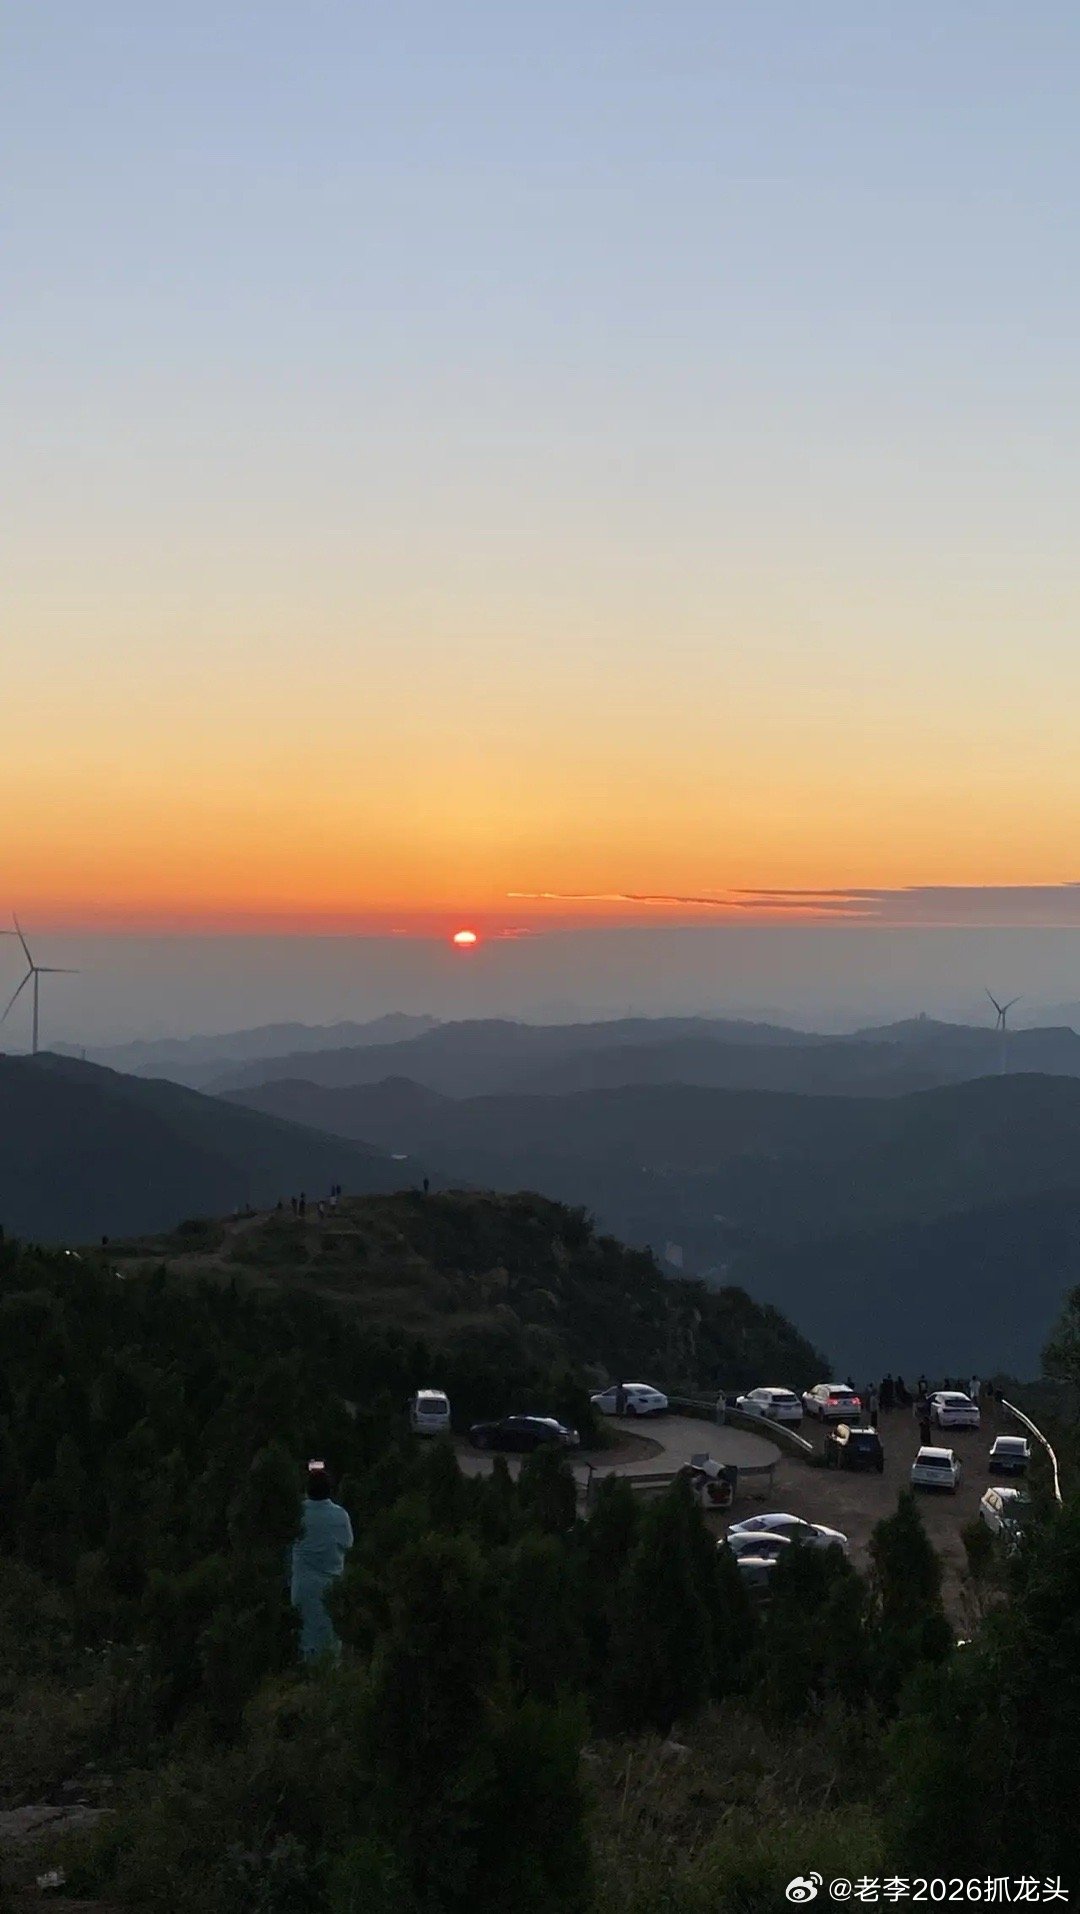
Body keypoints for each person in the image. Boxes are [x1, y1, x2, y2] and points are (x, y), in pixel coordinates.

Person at [290, 1462, 354, 1662]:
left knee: (303, 1639)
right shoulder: (340, 1515)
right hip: (331, 1586)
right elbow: (348, 1544)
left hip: (303, 1586)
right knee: (330, 1642)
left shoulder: (298, 1513)